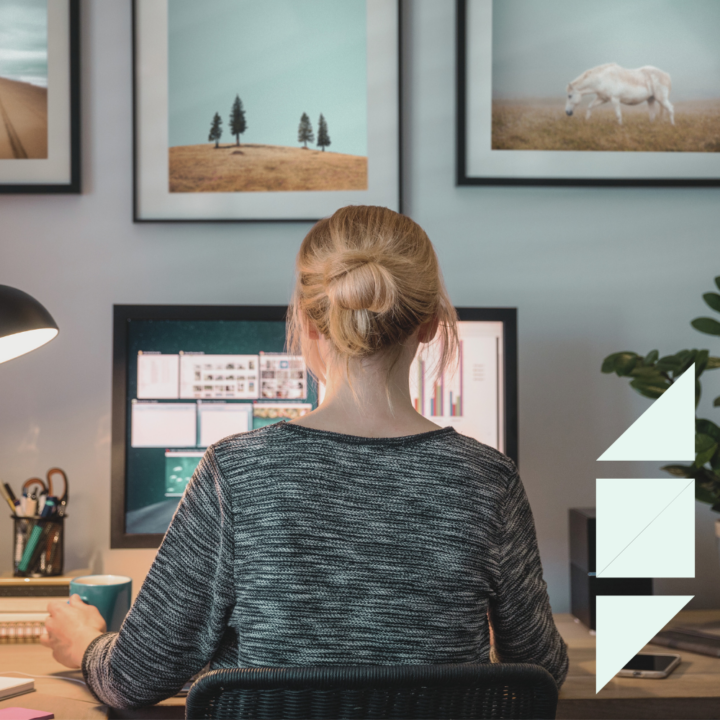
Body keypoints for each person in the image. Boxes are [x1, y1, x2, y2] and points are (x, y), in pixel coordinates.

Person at [42, 206, 568, 708]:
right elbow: (541, 669)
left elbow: (135, 678)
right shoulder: (488, 479)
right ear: (430, 324)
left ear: (311, 323)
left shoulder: (236, 472)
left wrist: (86, 643)